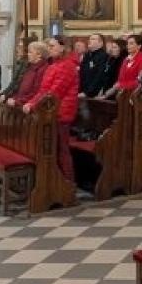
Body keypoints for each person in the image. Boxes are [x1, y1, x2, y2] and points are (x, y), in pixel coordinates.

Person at [35, 39, 81, 182]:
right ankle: (54, 180)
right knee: (52, 149)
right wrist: (31, 103)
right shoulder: (53, 65)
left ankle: (68, 183)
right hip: (50, 111)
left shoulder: (68, 66)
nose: (49, 48)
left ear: (62, 47)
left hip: (61, 113)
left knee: (62, 149)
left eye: (52, 46)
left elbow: (55, 92)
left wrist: (35, 105)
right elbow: (43, 90)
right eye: (48, 46)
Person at [7, 40, 49, 108]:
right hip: (20, 104)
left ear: (39, 54)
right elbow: (21, 87)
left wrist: (18, 101)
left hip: (29, 106)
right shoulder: (29, 67)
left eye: (30, 52)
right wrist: (14, 98)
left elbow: (35, 91)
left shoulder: (43, 69)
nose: (28, 54)